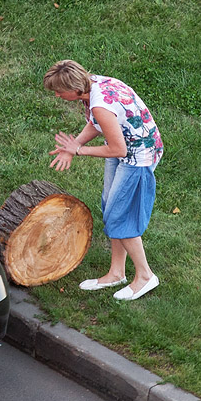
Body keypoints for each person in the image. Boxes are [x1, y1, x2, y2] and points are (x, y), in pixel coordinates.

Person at [44, 60, 163, 300]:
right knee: (110, 208)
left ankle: (145, 276)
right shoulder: (96, 83)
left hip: (137, 159)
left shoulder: (99, 105)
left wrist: (79, 151)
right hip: (124, 149)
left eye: (59, 91)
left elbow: (119, 149)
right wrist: (75, 144)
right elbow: (98, 125)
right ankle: (116, 273)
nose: (56, 94)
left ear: (76, 89)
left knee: (119, 214)